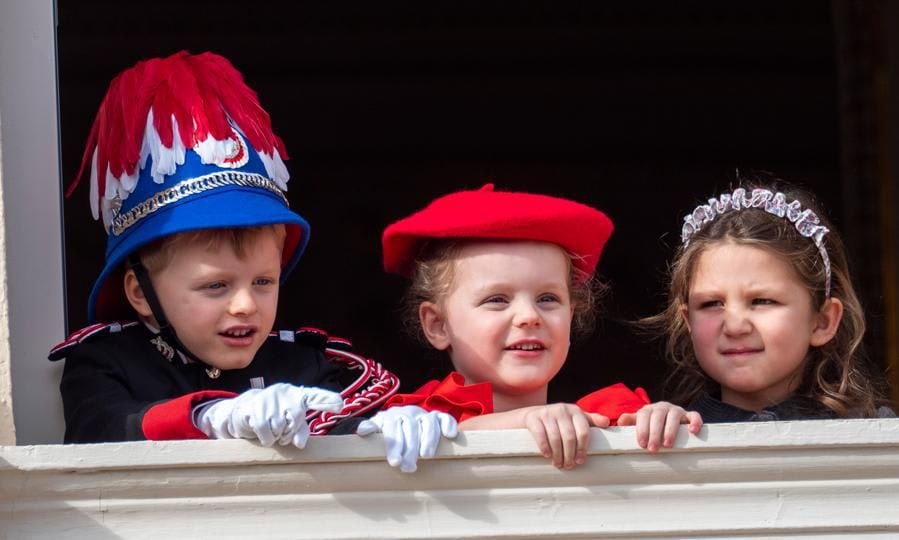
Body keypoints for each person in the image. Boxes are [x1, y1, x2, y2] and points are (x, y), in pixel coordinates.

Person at [48, 51, 455, 473]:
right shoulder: (105, 362)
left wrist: (385, 427)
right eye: (215, 286)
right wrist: (208, 417)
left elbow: (348, 433)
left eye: (263, 282)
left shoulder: (302, 365)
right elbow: (101, 428)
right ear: (141, 293)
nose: (245, 305)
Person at [380, 184, 701, 469]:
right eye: (497, 299)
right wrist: (523, 421)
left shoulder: (611, 415)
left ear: (572, 314)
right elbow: (444, 435)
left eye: (547, 298)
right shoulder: (411, 421)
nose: (529, 316)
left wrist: (663, 421)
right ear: (437, 325)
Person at [647, 182, 896, 423]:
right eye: (712, 303)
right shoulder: (676, 432)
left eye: (762, 301)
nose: (735, 327)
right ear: (688, 320)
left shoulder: (873, 434)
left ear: (823, 322)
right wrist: (661, 435)